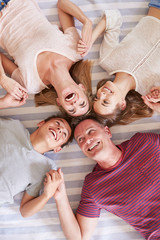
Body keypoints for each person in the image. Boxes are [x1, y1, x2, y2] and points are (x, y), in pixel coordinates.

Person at [47, 118, 160, 240]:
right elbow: (78, 237)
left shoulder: (143, 142)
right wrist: (61, 197)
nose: (88, 140)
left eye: (91, 131)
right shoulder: (93, 186)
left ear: (107, 132)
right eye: (81, 139)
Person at [0, 0, 92, 116]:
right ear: (82, 88)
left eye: (71, 110)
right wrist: (86, 22)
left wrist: (2, 78)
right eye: (82, 104)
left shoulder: (31, 84)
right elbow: (62, 4)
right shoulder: (75, 51)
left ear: (59, 102)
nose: (74, 104)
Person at [78, 1, 160, 125]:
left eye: (97, 97)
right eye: (106, 102)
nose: (103, 94)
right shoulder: (150, 92)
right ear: (122, 104)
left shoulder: (107, 60)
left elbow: (113, 19)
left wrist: (90, 41)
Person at [0, 115, 72, 218]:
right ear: (41, 123)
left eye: (64, 134)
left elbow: (25, 211)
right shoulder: (13, 126)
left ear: (57, 149)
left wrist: (47, 195)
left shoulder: (45, 168)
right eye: (57, 123)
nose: (60, 129)